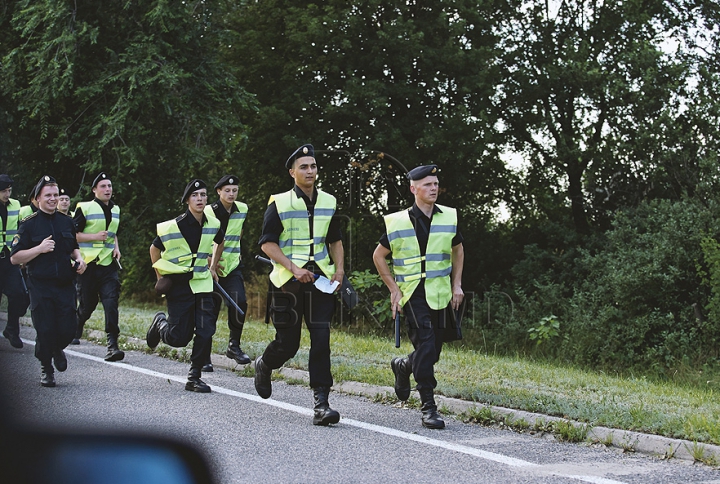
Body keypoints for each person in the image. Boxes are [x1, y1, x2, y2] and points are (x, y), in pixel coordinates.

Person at [255, 144, 345, 426]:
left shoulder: (328, 201)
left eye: (313, 166)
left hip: (320, 282)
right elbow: (267, 243)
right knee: (288, 344)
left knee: (321, 339)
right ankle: (265, 364)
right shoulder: (279, 203)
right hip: (287, 283)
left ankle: (322, 403)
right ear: (292, 172)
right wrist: (294, 268)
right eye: (303, 167)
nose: (310, 171)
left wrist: (340, 269)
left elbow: (334, 240)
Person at [372, 164, 464, 429]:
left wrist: (457, 284)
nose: (433, 188)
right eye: (427, 184)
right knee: (425, 344)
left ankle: (403, 366)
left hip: (440, 291)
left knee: (432, 351)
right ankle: (428, 407)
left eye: (435, 184)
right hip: (412, 293)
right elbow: (379, 255)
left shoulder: (448, 217)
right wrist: (393, 289)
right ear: (413, 189)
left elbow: (458, 250)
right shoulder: (398, 221)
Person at [146, 179, 224, 393]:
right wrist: (160, 275)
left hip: (202, 283)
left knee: (206, 330)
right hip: (179, 286)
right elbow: (154, 249)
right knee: (178, 338)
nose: (200, 199)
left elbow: (220, 241)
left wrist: (213, 266)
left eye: (203, 195)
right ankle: (160, 324)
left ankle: (194, 376)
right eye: (195, 195)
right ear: (188, 200)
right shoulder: (174, 225)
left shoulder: (213, 223)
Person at [10, 176, 87, 387]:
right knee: (44, 329)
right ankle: (46, 367)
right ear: (37, 199)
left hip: (64, 284)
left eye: (55, 195)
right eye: (48, 196)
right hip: (40, 285)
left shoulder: (66, 222)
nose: (53, 199)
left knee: (68, 329)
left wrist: (80, 259)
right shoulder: (28, 225)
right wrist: (39, 249)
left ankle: (55, 348)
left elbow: (73, 247)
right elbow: (15, 258)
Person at [72, 172, 124, 361]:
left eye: (109, 186)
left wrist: (116, 248)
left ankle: (112, 345)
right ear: (94, 190)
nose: (107, 189)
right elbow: (73, 235)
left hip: (108, 265)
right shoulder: (84, 208)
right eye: (103, 186)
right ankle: (77, 323)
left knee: (111, 302)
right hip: (88, 265)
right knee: (88, 305)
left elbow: (113, 233)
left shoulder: (116, 209)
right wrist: (94, 237)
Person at [201, 174, 250, 372]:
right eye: (227, 190)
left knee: (240, 303)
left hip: (232, 266)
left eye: (234, 190)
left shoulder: (243, 209)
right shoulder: (207, 211)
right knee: (209, 311)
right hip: (210, 268)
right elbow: (199, 237)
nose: (231, 194)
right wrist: (208, 262)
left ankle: (234, 346)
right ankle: (204, 356)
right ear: (219, 192)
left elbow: (239, 234)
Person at [0, 175, 30, 349]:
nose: (7, 194)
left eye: (9, 190)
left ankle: (12, 329)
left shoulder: (16, 205)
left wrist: (23, 254)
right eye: (4, 191)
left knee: (19, 294)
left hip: (10, 258)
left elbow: (22, 230)